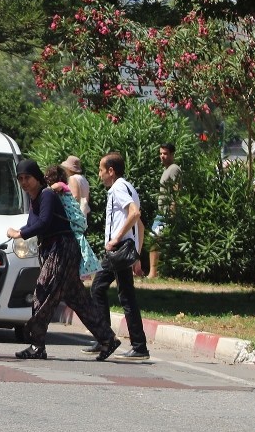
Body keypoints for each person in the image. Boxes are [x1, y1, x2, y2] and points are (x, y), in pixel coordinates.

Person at [6, 159, 120, 360]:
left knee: (42, 292)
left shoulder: (47, 195)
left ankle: (36, 344)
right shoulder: (35, 199)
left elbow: (43, 223)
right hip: (53, 249)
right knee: (78, 300)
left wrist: (19, 233)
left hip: (62, 248)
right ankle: (107, 338)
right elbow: (37, 224)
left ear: (37, 177)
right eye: (21, 179)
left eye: (28, 178)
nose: (24, 182)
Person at [85, 152, 150, 360]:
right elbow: (140, 226)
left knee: (98, 288)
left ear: (111, 171)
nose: (99, 175)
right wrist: (137, 255)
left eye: (101, 170)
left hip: (118, 249)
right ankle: (132, 344)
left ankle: (108, 338)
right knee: (124, 294)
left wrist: (115, 239)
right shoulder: (128, 187)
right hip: (125, 250)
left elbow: (134, 214)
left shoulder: (118, 188)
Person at [45, 165, 101, 278]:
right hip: (78, 219)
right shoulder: (77, 181)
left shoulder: (61, 186)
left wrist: (44, 193)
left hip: (74, 220)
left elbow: (55, 187)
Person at [149, 142, 181, 278]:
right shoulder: (167, 169)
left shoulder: (174, 168)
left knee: (154, 239)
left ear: (172, 154)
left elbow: (177, 189)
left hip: (167, 213)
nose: (162, 156)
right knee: (158, 241)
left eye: (165, 153)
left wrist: (173, 210)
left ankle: (153, 273)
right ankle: (158, 272)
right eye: (161, 153)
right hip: (162, 212)